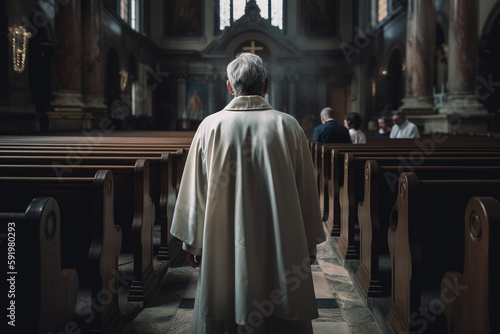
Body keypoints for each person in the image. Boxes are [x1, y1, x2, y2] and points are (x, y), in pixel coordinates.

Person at [170, 52, 326, 334]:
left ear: (229, 86)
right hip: (279, 240)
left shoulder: (210, 126)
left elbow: (196, 191)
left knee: (223, 303)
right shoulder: (288, 125)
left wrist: (192, 242)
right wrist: (309, 241)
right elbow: (306, 190)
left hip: (223, 242)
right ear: (266, 84)